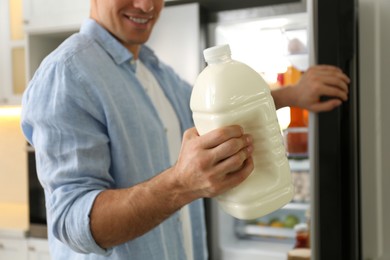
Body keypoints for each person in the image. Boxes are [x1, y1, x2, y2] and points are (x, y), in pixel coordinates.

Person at [20, 0, 350, 259]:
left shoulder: (153, 69)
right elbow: (70, 222)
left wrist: (292, 95)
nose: (147, 5)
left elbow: (217, 117)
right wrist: (181, 185)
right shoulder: (66, 75)